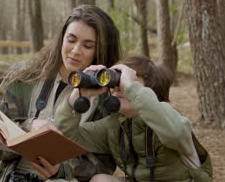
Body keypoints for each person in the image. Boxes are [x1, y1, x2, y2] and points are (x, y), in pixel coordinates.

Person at [0, 5, 121, 182]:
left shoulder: (107, 98)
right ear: (61, 38)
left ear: (101, 50)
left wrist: (62, 169)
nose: (76, 50)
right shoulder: (25, 77)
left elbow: (104, 165)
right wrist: (28, 127)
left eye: (88, 45)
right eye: (71, 40)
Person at [54, 56, 213, 182]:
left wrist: (130, 87)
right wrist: (76, 96)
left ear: (148, 90)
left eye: (125, 81)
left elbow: (175, 133)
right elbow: (67, 137)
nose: (118, 87)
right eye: (116, 82)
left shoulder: (168, 115)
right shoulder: (115, 124)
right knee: (100, 180)